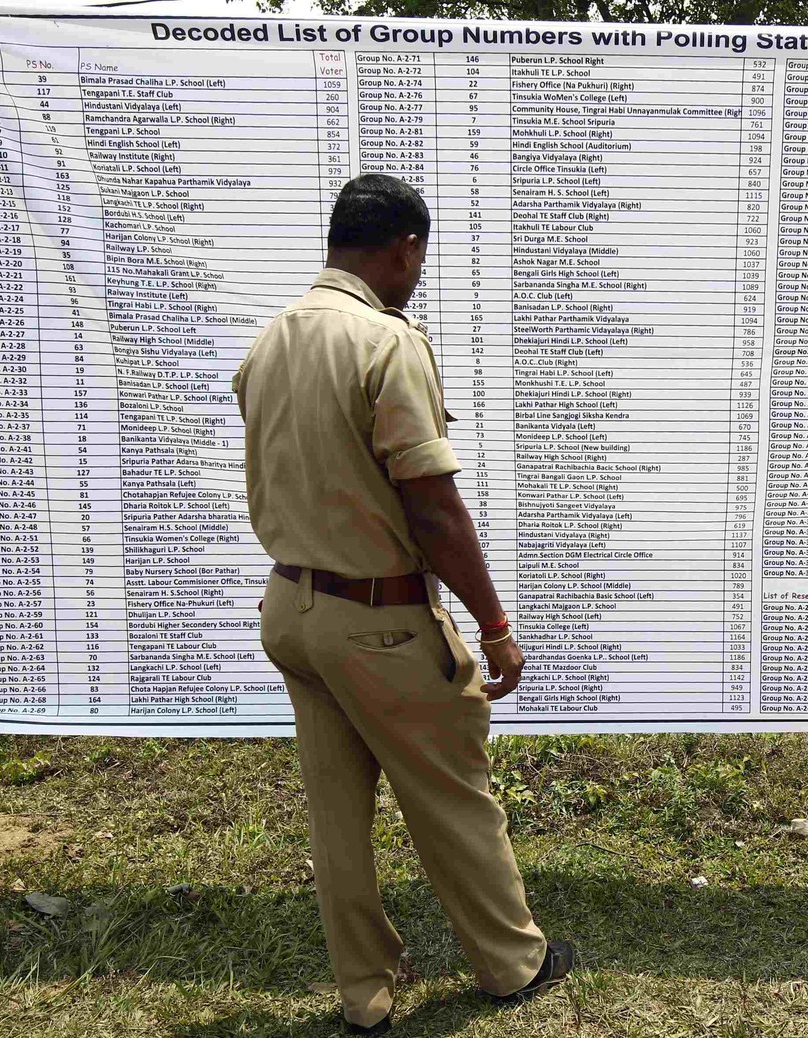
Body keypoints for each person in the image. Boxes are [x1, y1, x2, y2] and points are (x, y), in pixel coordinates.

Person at [233, 174, 574, 1036]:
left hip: (293, 609)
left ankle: (366, 997)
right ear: (404, 248)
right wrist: (495, 626)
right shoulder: (387, 343)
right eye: (419, 258)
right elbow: (431, 504)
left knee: (336, 813)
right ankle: (512, 965)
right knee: (453, 793)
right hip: (378, 618)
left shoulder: (273, 336)